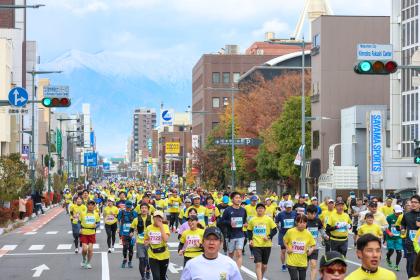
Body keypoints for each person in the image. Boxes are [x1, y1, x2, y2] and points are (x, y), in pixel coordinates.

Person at [247, 203, 277, 280]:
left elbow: (274, 230)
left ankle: (261, 276)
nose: (260, 209)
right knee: (258, 264)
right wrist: (250, 239)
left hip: (266, 245)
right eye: (258, 208)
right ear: (256, 210)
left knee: (264, 266)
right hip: (256, 245)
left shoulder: (268, 219)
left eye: (262, 208)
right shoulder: (252, 220)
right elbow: (249, 231)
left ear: (264, 210)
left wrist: (269, 237)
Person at [283, 214, 316, 280]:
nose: (302, 224)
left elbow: (313, 245)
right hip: (292, 261)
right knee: (294, 278)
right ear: (296, 222)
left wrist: (310, 250)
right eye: (300, 222)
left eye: (304, 222)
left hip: (303, 262)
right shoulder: (290, 231)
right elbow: (284, 240)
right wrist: (288, 248)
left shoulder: (308, 233)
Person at [220, 191, 247, 268]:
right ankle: (229, 270)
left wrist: (245, 224)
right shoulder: (228, 210)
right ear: (232, 200)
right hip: (230, 235)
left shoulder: (243, 210)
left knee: (239, 253)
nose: (238, 199)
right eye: (236, 198)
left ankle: (237, 273)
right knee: (231, 254)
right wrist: (231, 223)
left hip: (240, 234)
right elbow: (221, 221)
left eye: (239, 198)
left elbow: (244, 221)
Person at [144, 210, 170, 280]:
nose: (158, 219)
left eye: (160, 217)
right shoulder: (149, 227)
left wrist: (161, 226)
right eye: (156, 217)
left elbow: (165, 239)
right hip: (153, 255)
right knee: (156, 277)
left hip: (164, 255)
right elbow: (146, 240)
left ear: (162, 218)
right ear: (153, 218)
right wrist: (147, 242)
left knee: (162, 277)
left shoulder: (165, 226)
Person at [130, 203, 152, 280]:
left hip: (150, 242)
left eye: (145, 208)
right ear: (140, 209)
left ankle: (148, 270)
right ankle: (143, 277)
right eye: (142, 208)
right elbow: (132, 228)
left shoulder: (152, 218)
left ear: (148, 210)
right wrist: (131, 233)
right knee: (142, 260)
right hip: (140, 242)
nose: (144, 209)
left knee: (147, 260)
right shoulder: (136, 219)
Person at [401, 194, 420, 278]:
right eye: (412, 202)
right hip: (409, 243)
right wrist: (402, 232)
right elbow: (403, 226)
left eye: (415, 202)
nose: (413, 204)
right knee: (411, 265)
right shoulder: (406, 215)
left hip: (419, 243)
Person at [276, 200, 297, 272]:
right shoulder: (280, 214)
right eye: (287, 207)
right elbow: (276, 222)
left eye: (290, 207)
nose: (289, 209)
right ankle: (283, 265)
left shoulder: (294, 213)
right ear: (285, 207)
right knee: (283, 251)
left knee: (292, 250)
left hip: (292, 234)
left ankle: (291, 263)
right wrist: (279, 228)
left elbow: (297, 221)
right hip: (283, 234)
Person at [306, 205, 326, 280]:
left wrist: (325, 236)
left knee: (313, 265)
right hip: (304, 247)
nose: (314, 215)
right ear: (307, 213)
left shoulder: (318, 220)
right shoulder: (303, 221)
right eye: (312, 214)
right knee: (304, 266)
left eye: (315, 214)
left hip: (314, 246)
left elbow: (321, 230)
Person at [79, 200, 100, 269]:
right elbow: (79, 222)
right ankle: (84, 259)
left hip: (92, 233)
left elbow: (98, 223)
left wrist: (96, 226)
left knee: (90, 249)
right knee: (84, 249)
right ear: (87, 205)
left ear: (94, 206)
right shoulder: (82, 213)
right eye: (89, 204)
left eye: (92, 205)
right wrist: (80, 228)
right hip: (84, 232)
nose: (90, 206)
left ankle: (88, 263)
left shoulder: (96, 214)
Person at [117, 200, 138, 268]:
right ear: (125, 206)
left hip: (131, 233)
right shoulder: (121, 212)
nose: (128, 208)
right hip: (123, 232)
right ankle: (125, 259)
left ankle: (130, 262)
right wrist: (118, 228)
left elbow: (137, 222)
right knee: (125, 247)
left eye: (129, 207)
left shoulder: (134, 213)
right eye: (127, 207)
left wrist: (135, 230)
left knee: (131, 248)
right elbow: (118, 220)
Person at [385, 204, 404, 271]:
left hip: (398, 237)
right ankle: (388, 258)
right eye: (397, 212)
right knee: (391, 250)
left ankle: (396, 265)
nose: (398, 214)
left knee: (399, 251)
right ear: (393, 211)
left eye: (399, 212)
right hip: (390, 237)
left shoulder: (402, 217)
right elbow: (385, 227)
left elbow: (404, 226)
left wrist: (403, 232)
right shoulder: (389, 217)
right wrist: (389, 232)